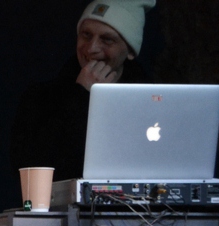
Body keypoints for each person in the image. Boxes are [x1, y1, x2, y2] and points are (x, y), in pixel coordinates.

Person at [11, 0, 156, 181]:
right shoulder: (40, 98)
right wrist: (80, 95)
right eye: (86, 35)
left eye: (107, 39)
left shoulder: (153, 102)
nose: (91, 48)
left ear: (131, 51)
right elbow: (30, 169)